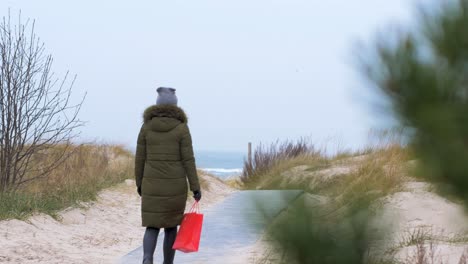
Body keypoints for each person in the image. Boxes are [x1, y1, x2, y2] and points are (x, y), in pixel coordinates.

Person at [135, 87, 202, 264]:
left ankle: (147, 259)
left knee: (152, 226)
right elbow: (189, 160)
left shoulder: (146, 127)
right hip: (175, 187)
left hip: (151, 185)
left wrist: (139, 183)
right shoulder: (181, 128)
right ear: (175, 105)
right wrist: (195, 187)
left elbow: (140, 158)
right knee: (171, 227)